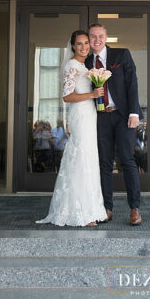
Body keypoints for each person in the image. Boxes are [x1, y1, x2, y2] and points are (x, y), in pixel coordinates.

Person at [36, 30, 106, 227]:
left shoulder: (85, 65)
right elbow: (67, 97)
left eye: (86, 43)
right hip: (80, 114)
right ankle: (79, 211)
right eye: (79, 44)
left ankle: (91, 209)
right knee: (81, 158)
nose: (84, 47)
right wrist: (92, 95)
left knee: (89, 158)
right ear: (73, 46)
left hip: (90, 114)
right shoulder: (72, 66)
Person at [85, 23, 144, 225]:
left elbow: (132, 84)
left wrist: (135, 112)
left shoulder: (121, 55)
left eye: (100, 36)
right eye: (93, 36)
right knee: (104, 163)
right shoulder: (85, 63)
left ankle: (135, 208)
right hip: (100, 117)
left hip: (123, 116)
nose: (97, 40)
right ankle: (106, 208)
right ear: (89, 39)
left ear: (106, 37)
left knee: (127, 160)